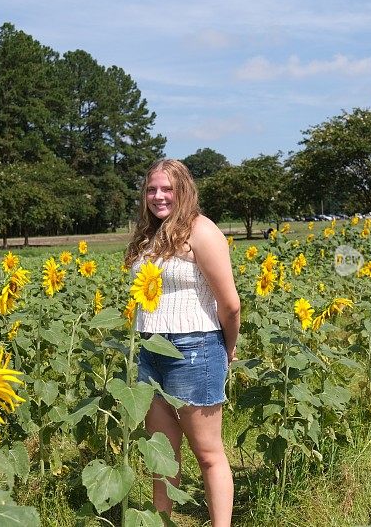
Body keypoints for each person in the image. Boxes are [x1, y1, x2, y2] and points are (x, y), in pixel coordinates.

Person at [124, 159, 240, 525]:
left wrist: (229, 347)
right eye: (152, 189)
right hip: (149, 350)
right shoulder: (149, 234)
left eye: (167, 189)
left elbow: (231, 303)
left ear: (183, 191)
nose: (158, 196)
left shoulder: (201, 231)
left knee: (207, 453)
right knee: (162, 454)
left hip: (194, 349)